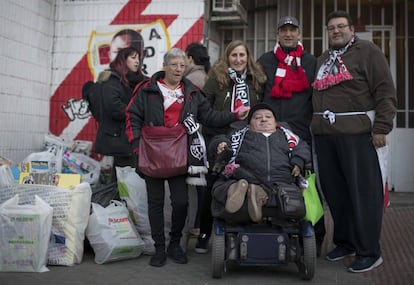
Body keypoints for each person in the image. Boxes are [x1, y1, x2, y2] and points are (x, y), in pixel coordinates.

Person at [125, 48, 249, 267]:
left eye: (182, 65)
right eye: (174, 65)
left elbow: (209, 116)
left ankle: (175, 244)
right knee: (155, 203)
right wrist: (136, 147)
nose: (178, 69)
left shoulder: (191, 91)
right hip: (152, 152)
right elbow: (132, 116)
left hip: (180, 153)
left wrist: (233, 115)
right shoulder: (146, 89)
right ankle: (159, 248)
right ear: (164, 66)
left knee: (181, 202)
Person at [311, 10, 397, 273]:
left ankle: (369, 251)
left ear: (351, 28)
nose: (336, 31)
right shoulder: (323, 59)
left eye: (341, 26)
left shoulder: (367, 51)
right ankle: (345, 242)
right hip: (326, 137)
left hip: (357, 135)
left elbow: (384, 89)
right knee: (336, 194)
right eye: (331, 27)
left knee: (363, 195)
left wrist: (382, 127)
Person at [257, 15, 326, 256]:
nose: (288, 34)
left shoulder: (311, 62)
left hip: (302, 133)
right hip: (270, 133)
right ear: (277, 34)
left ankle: (315, 237)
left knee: (307, 186)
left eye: (292, 30)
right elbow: (257, 94)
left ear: (299, 33)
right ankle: (270, 234)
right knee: (270, 180)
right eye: (283, 30)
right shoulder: (264, 61)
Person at [194, 40, 267, 253]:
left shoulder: (257, 79)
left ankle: (245, 232)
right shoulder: (216, 80)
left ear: (248, 57)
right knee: (212, 188)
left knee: (249, 183)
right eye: (233, 55)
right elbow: (204, 114)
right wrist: (232, 116)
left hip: (249, 142)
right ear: (227, 58)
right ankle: (205, 233)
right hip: (219, 140)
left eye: (242, 55)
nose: (238, 60)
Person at [209, 103, 311, 223]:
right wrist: (221, 144)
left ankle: (256, 194)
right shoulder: (240, 135)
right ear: (249, 124)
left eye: (268, 117)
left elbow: (302, 147)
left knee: (286, 193)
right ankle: (236, 190)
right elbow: (220, 140)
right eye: (257, 117)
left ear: (275, 122)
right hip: (245, 178)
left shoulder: (287, 136)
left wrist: (298, 162)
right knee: (220, 187)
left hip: (279, 183)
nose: (263, 119)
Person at [94, 46, 147, 182]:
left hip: (130, 136)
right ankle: (116, 201)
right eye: (133, 58)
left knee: (124, 175)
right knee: (123, 174)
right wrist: (138, 113)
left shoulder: (138, 81)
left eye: (138, 59)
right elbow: (114, 108)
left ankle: (119, 201)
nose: (137, 62)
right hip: (118, 137)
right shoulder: (112, 80)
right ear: (124, 60)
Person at [182, 42, 211, 240]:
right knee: (202, 183)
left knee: (196, 185)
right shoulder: (206, 76)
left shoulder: (190, 80)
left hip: (194, 138)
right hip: (205, 136)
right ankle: (199, 224)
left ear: (190, 59)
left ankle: (196, 224)